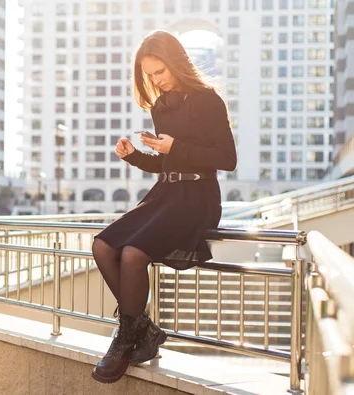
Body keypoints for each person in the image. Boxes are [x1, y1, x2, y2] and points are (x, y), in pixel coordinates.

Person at [90, 30, 237, 384]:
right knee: (103, 245)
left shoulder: (207, 100)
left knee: (133, 254)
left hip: (197, 198)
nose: (157, 80)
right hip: (164, 195)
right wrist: (136, 156)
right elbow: (167, 163)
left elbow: (227, 159)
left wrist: (176, 148)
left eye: (161, 71)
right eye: (150, 75)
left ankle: (125, 339)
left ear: (176, 62)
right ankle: (142, 328)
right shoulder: (160, 106)